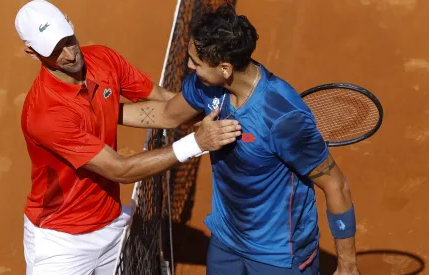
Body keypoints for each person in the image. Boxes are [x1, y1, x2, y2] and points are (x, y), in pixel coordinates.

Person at [121, 3, 360, 275]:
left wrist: (348, 266)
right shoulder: (206, 86)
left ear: (225, 68)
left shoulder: (282, 118)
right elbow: (166, 114)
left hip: (279, 254)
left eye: (196, 62)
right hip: (227, 238)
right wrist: (102, 112)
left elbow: (336, 184)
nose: (189, 66)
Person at [14, 1, 242, 274]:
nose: (70, 54)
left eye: (68, 40)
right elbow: (120, 170)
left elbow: (167, 107)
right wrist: (196, 143)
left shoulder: (103, 59)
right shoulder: (46, 113)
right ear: (32, 52)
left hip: (112, 224)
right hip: (62, 242)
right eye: (54, 50)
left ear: (70, 23)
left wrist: (215, 106)